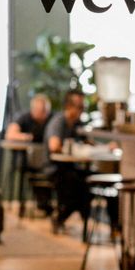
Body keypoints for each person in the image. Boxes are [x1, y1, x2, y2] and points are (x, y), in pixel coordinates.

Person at [42, 89, 90, 232]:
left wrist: (106, 146)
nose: (81, 110)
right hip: (54, 168)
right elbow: (54, 146)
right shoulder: (58, 122)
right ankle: (60, 217)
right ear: (68, 106)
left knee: (90, 180)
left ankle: (108, 226)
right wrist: (72, 148)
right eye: (79, 106)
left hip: (71, 167)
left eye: (83, 106)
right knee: (80, 187)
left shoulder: (77, 124)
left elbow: (89, 142)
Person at [3, 94, 52, 214]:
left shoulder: (50, 120)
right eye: (41, 111)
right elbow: (10, 134)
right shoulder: (24, 118)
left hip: (45, 160)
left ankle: (45, 205)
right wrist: (27, 137)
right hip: (27, 160)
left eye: (46, 111)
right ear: (33, 109)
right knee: (29, 167)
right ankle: (41, 204)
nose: (44, 114)